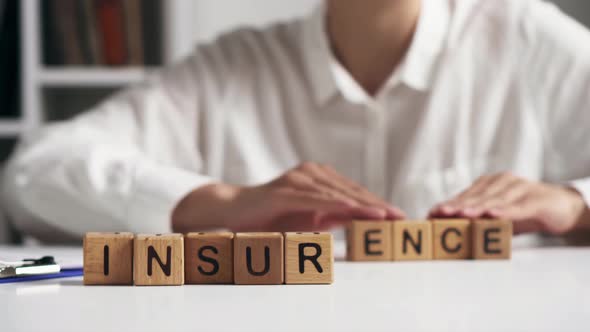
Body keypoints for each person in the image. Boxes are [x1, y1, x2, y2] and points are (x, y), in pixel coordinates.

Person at [3, 0, 590, 242]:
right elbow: (32, 172)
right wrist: (216, 203)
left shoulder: (527, 36)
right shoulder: (231, 65)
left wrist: (574, 204)